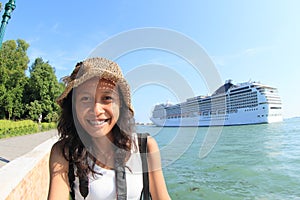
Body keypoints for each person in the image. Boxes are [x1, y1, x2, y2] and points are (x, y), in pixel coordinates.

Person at [48, 57, 171, 200]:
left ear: (120, 104)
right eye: (85, 99)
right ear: (74, 107)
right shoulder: (64, 152)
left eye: (106, 98)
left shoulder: (145, 146)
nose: (96, 110)